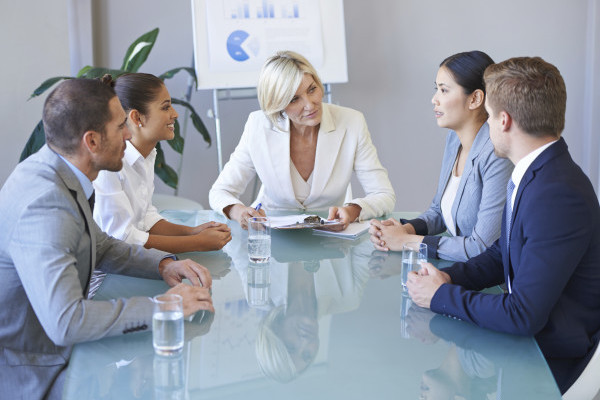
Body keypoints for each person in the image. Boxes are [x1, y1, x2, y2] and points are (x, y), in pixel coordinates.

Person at [0, 77, 214, 399]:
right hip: (38, 373)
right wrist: (162, 306)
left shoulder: (60, 169)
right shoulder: (45, 204)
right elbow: (67, 321)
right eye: (119, 127)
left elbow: (99, 243)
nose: (129, 134)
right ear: (92, 141)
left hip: (60, 356)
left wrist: (164, 265)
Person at [407, 57, 600, 394]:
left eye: (490, 118)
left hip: (549, 365)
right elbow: (502, 253)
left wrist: (441, 296)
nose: (487, 129)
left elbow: (523, 315)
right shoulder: (538, 172)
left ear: (505, 120)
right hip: (526, 347)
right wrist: (451, 278)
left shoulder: (557, 194)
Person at [209, 50, 395, 229]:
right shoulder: (258, 126)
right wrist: (238, 211)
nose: (309, 104)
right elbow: (219, 192)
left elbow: (384, 194)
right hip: (271, 237)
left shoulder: (351, 122)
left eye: (312, 89)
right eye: (294, 99)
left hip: (330, 237)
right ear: (277, 105)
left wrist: (353, 210)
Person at [369, 51, 513, 262]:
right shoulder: (454, 140)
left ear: (475, 98)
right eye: (436, 89)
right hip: (457, 268)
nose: (434, 99)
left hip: (489, 281)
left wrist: (408, 242)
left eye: (444, 90)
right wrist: (404, 229)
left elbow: (481, 247)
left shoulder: (495, 154)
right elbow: (440, 210)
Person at [93, 73, 231, 254]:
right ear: (137, 118)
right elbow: (122, 239)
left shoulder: (148, 154)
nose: (175, 114)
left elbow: (145, 218)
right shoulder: (108, 168)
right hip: (105, 275)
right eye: (165, 107)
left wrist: (193, 232)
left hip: (134, 262)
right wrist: (196, 242)